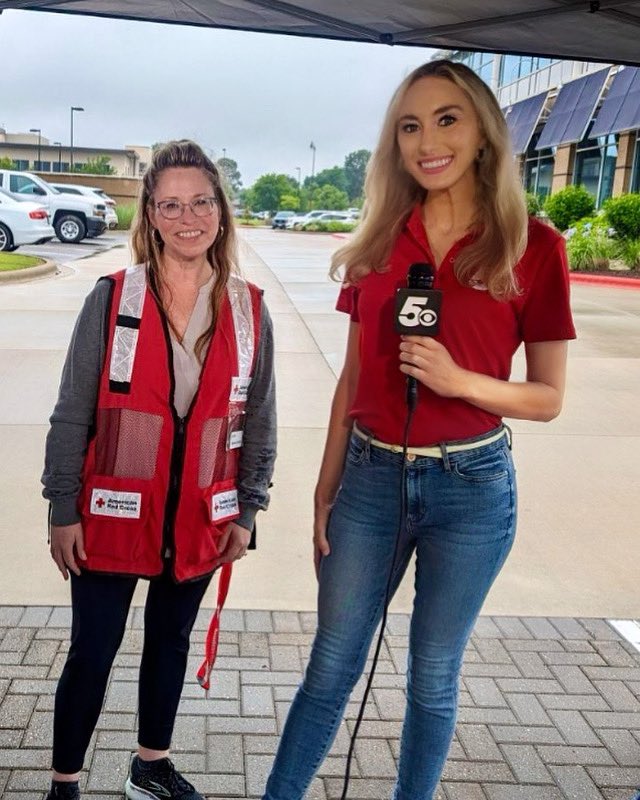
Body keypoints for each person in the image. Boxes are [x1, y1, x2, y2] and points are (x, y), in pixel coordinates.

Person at [263, 59, 575, 800]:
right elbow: (350, 382)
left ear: (483, 133)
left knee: (433, 676)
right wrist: (325, 490)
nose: (427, 142)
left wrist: (459, 380)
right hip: (369, 480)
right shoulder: (378, 243)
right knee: (331, 666)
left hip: (472, 488)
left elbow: (547, 398)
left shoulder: (533, 246)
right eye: (410, 126)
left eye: (446, 119)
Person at [42, 139, 276, 800]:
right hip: (111, 513)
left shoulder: (248, 308)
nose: (187, 218)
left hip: (201, 514)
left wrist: (249, 509)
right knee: (94, 648)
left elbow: (259, 419)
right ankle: (64, 782)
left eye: (200, 202)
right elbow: (72, 412)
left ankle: (150, 766)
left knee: (170, 641)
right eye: (170, 205)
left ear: (221, 211)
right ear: (150, 215)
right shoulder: (114, 298)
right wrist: (63, 507)